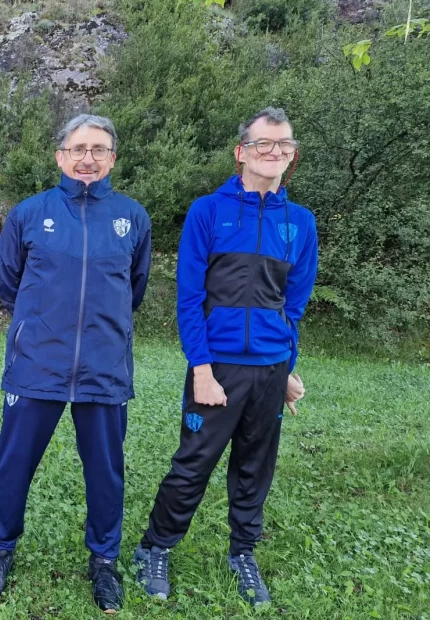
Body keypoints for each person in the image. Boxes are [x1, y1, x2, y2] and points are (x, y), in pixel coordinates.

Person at [133, 107, 318, 607]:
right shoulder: (208, 212)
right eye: (264, 144)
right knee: (193, 464)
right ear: (242, 152)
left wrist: (286, 369)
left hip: (270, 371)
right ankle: (155, 547)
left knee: (255, 467)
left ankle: (243, 554)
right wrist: (202, 370)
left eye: (284, 146)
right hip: (218, 369)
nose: (275, 153)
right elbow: (189, 299)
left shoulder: (300, 223)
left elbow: (293, 306)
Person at [0, 114, 152, 614]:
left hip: (104, 370)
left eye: (98, 149)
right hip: (36, 367)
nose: (87, 158)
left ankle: (103, 562)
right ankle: (0, 551)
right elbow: (8, 285)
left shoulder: (132, 217)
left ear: (113, 158)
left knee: (106, 474)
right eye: (78, 148)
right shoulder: (30, 214)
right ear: (60, 156)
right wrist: (41, 326)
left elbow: (133, 290)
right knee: (13, 466)